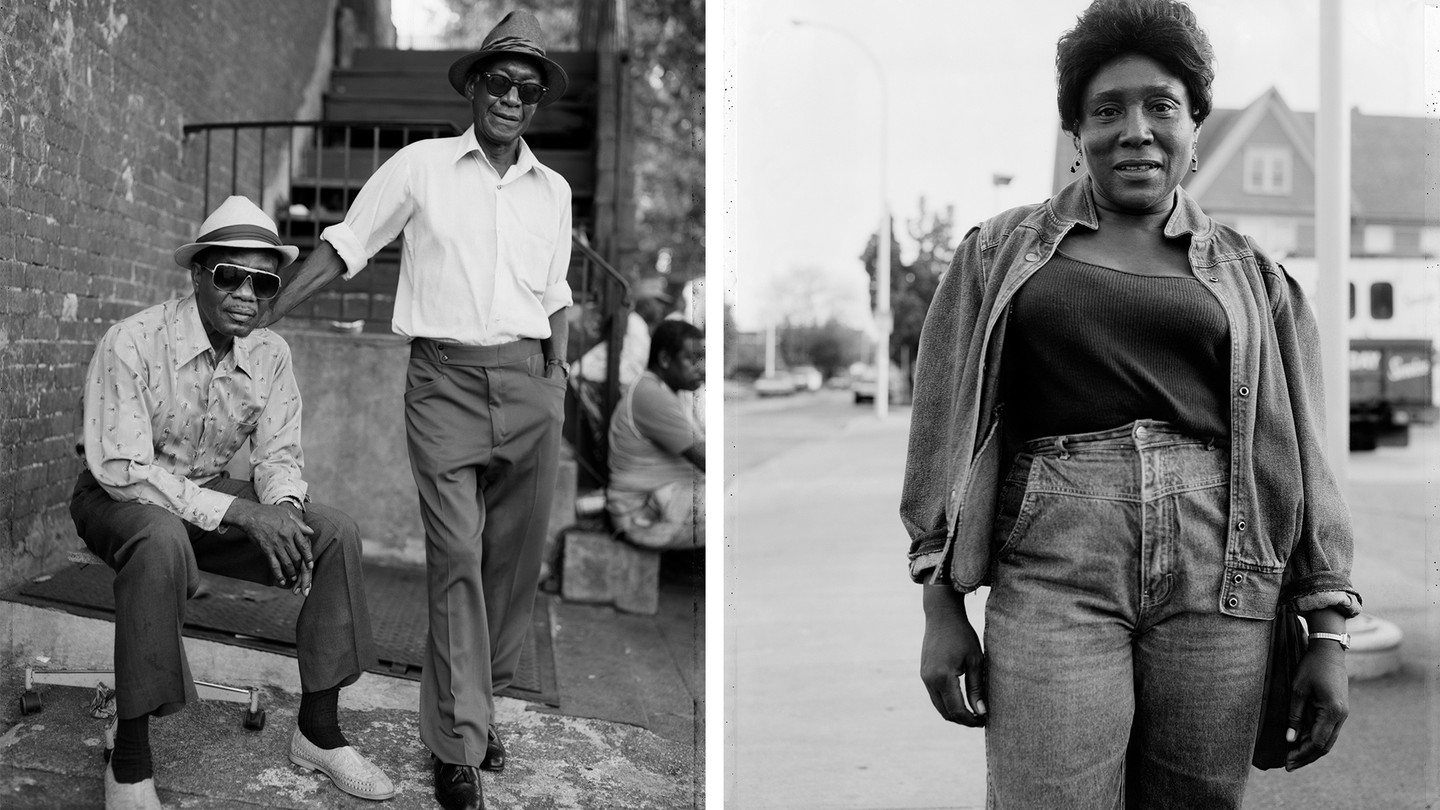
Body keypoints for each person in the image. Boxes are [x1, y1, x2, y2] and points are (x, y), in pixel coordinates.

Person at [901, 1, 1360, 807]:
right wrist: (941, 605)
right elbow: (940, 431)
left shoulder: (1258, 279)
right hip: (1054, 570)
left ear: (1195, 128)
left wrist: (1328, 632)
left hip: (1222, 579)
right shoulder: (995, 254)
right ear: (1076, 132)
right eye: (1106, 110)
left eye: (1161, 106)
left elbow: (1305, 457)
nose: (1136, 129)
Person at [262, 11, 572, 810]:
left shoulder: (554, 191)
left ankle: (477, 705)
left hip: (531, 388)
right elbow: (344, 246)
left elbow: (556, 296)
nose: (511, 98)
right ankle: (456, 747)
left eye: (527, 90)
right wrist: (264, 316)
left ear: (537, 103)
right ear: (473, 84)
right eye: (498, 81)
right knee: (458, 563)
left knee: (511, 573)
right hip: (443, 385)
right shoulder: (421, 166)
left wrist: (557, 376)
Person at [71, 196, 393, 809]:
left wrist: (287, 513)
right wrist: (245, 513)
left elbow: (278, 456)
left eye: (263, 281)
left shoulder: (270, 353)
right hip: (119, 499)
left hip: (208, 499)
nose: (247, 293)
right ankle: (131, 762)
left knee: (333, 534)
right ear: (197, 274)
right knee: (159, 536)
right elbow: (121, 470)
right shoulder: (133, 341)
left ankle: (318, 732)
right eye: (230, 275)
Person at [606, 320, 706, 550]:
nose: (702, 367)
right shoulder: (651, 394)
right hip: (641, 516)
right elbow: (707, 460)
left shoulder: (666, 390)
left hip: (663, 502)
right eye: (692, 359)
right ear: (664, 359)